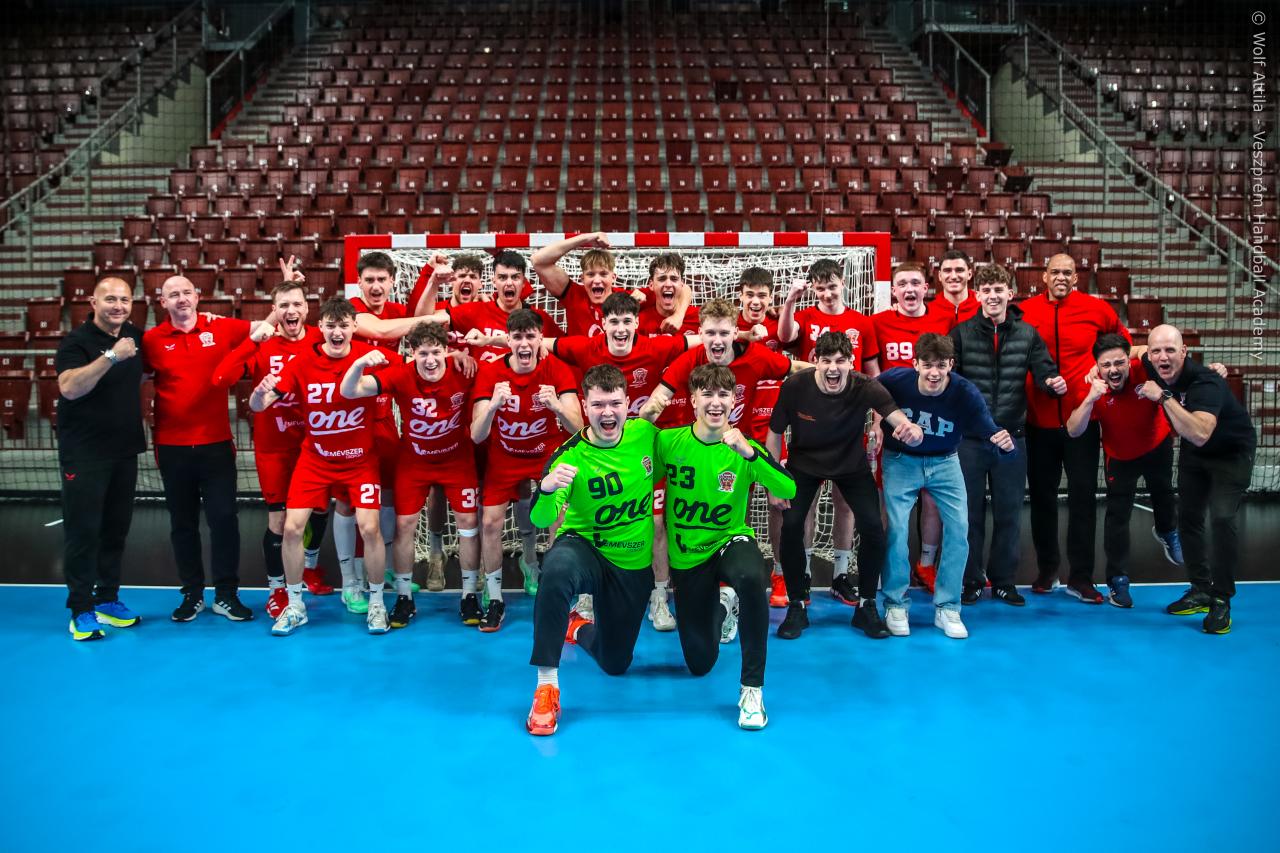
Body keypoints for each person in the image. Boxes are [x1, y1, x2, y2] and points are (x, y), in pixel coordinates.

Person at [647, 363, 796, 730]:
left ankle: (752, 691)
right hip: (688, 556)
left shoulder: (745, 448)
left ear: (734, 401)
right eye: (708, 394)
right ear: (693, 400)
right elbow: (637, 467)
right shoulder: (669, 442)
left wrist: (750, 453)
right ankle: (723, 606)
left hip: (730, 540)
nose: (716, 402)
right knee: (700, 662)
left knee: (751, 577)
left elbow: (788, 488)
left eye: (723, 395)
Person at [525, 365, 660, 735]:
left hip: (631, 561)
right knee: (555, 570)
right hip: (584, 547)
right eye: (598, 405)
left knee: (616, 663)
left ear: (628, 404)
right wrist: (546, 488)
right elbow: (541, 517)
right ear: (585, 407)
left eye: (615, 403)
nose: (607, 412)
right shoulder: (569, 455)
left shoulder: (646, 435)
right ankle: (546, 687)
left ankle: (578, 627)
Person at [767, 331, 922, 640]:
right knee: (792, 524)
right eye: (826, 361)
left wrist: (911, 430)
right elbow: (774, 434)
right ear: (814, 361)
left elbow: (897, 418)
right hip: (804, 464)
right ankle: (797, 605)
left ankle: (866, 606)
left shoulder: (865, 386)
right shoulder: (795, 386)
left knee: (874, 527)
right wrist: (774, 481)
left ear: (851, 362)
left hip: (851, 465)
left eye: (840, 361)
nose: (833, 368)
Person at [250, 297, 390, 636]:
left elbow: (416, 366)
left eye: (343, 325)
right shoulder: (301, 362)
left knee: (369, 527)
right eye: (331, 326)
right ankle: (295, 605)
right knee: (292, 528)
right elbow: (260, 405)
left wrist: (454, 356)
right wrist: (258, 393)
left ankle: (376, 603)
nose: (337, 332)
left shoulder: (369, 357)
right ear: (321, 328)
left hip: (359, 460)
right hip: (316, 459)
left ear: (354, 327)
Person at [550, 292, 690, 630]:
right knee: (588, 521)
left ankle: (658, 597)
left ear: (637, 323)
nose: (621, 328)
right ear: (603, 324)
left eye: (627, 321)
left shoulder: (655, 347)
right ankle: (586, 596)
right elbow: (540, 344)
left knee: (657, 523)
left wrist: (744, 335)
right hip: (599, 452)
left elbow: (700, 341)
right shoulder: (586, 348)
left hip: (641, 450)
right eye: (614, 321)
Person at [212, 260, 333, 618]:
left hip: (315, 445)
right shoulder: (264, 343)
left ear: (308, 309)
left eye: (297, 304)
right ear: (274, 311)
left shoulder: (322, 338)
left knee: (320, 509)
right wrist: (253, 339)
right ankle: (277, 589)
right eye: (284, 305)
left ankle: (309, 565)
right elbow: (222, 378)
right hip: (274, 447)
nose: (291, 311)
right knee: (279, 522)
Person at [342, 321, 479, 628]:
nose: (430, 360)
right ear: (412, 353)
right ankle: (404, 597)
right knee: (404, 525)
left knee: (469, 523)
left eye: (436, 352)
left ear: (446, 351)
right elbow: (349, 390)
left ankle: (470, 594)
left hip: (457, 459)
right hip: (414, 461)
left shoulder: (464, 370)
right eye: (423, 353)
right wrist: (360, 364)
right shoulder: (400, 374)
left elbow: (503, 368)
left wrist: (465, 354)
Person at [877, 333, 1014, 640]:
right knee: (896, 528)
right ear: (915, 364)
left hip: (945, 462)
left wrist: (1004, 444)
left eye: (941, 365)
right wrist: (875, 424)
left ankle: (948, 606)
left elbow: (990, 431)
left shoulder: (965, 392)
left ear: (951, 365)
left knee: (959, 527)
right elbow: (866, 391)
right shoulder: (895, 380)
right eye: (927, 365)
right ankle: (895, 604)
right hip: (900, 461)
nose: (934, 373)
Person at [142, 275, 259, 622]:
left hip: (216, 445)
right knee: (183, 524)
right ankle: (192, 594)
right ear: (162, 302)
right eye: (173, 294)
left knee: (224, 520)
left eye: (186, 293)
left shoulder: (220, 328)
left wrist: (284, 289)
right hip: (172, 447)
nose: (181, 299)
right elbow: (138, 377)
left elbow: (262, 329)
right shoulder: (151, 340)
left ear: (197, 296)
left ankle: (226, 595)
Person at [948, 264, 1066, 606]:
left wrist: (1052, 383)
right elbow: (953, 383)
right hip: (971, 440)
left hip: (1012, 438)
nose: (993, 296)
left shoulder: (1028, 334)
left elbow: (1044, 371)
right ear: (977, 295)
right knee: (968, 514)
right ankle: (971, 580)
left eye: (999, 289)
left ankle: (1003, 581)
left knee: (1009, 514)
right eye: (986, 290)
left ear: (1009, 294)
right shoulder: (960, 333)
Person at [1020, 254, 1130, 601]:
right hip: (1038, 421)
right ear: (1044, 276)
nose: (1061, 277)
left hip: (1083, 421)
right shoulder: (1024, 311)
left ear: (1076, 278)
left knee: (1083, 497)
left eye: (1068, 272)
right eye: (1055, 272)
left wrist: (1104, 370)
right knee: (1042, 498)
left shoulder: (1097, 310)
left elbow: (1123, 345)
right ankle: (1047, 569)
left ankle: (1081, 578)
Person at [470, 308, 583, 631]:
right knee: (490, 523)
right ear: (508, 340)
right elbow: (476, 434)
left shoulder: (557, 369)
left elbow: (578, 427)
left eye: (530, 336)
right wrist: (493, 405)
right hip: (504, 457)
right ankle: (495, 598)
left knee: (560, 519)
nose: (524, 343)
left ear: (539, 340)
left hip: (545, 454)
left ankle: (557, 591)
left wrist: (556, 405)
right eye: (517, 337)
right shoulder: (491, 372)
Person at [777, 258, 880, 606]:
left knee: (845, 503)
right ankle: (804, 573)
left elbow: (873, 373)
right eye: (820, 288)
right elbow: (784, 337)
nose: (827, 293)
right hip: (808, 423)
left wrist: (878, 420)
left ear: (843, 283)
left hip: (850, 422)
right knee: (803, 505)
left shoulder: (861, 322)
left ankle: (840, 574)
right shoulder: (805, 317)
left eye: (832, 285)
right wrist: (791, 299)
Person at [1141, 325, 1255, 634]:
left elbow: (1201, 433)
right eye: (1156, 351)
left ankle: (1221, 599)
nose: (1162, 357)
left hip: (1230, 451)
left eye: (1170, 350)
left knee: (1222, 518)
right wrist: (1094, 370)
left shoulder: (1206, 382)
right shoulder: (1151, 361)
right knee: (1189, 518)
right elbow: (1133, 352)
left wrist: (1163, 397)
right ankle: (1201, 588)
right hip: (1196, 453)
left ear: (1184, 352)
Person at [56, 277, 146, 640]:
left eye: (124, 299)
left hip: (123, 450)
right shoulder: (76, 342)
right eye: (110, 299)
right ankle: (81, 609)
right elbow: (68, 388)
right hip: (84, 453)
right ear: (93, 303)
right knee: (83, 533)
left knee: (115, 531)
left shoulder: (135, 336)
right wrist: (111, 356)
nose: (118, 306)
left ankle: (107, 600)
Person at [1066, 333, 1179, 608]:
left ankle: (1167, 531)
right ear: (1097, 367)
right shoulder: (1092, 387)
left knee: (1164, 494)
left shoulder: (1144, 368)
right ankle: (1117, 581)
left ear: (1128, 362)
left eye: (1119, 363)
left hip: (1157, 444)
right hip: (1120, 456)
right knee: (1117, 517)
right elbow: (1073, 430)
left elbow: (1152, 350)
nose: (1113, 370)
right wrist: (1090, 399)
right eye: (1106, 365)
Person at [871, 262, 953, 591]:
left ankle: (926, 564)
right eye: (902, 283)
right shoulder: (878, 323)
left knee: (932, 498)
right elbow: (875, 378)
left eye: (915, 283)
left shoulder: (944, 320)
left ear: (925, 288)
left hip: (934, 421)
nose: (909, 289)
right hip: (894, 422)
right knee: (891, 502)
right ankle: (892, 564)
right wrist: (878, 420)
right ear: (893, 290)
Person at [447, 250, 562, 363]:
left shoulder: (540, 318)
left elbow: (565, 349)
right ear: (494, 281)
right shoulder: (474, 310)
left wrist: (542, 344)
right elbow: (436, 322)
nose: (509, 283)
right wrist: (451, 353)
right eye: (502, 277)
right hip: (486, 376)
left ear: (524, 283)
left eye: (515, 277)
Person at [531, 232, 619, 336]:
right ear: (582, 278)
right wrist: (586, 237)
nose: (597, 280)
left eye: (603, 274)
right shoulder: (574, 296)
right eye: (590, 274)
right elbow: (538, 260)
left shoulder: (627, 299)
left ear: (613, 277)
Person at [635, 252, 698, 336]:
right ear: (651, 285)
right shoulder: (640, 322)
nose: (668, 284)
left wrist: (678, 316)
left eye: (674, 279)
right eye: (662, 279)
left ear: (682, 284)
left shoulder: (700, 318)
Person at [928, 249, 981, 331]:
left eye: (959, 270)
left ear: (969, 274)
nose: (953, 276)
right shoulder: (928, 311)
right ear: (940, 276)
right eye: (947, 271)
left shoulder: (983, 308)